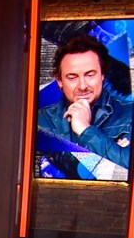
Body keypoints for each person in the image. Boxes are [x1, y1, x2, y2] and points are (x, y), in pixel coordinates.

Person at [37, 33, 131, 170]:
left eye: (90, 75)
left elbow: (128, 171)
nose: (82, 86)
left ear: (102, 75)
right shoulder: (41, 121)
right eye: (72, 77)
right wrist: (113, 152)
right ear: (60, 81)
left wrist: (85, 129)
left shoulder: (129, 114)